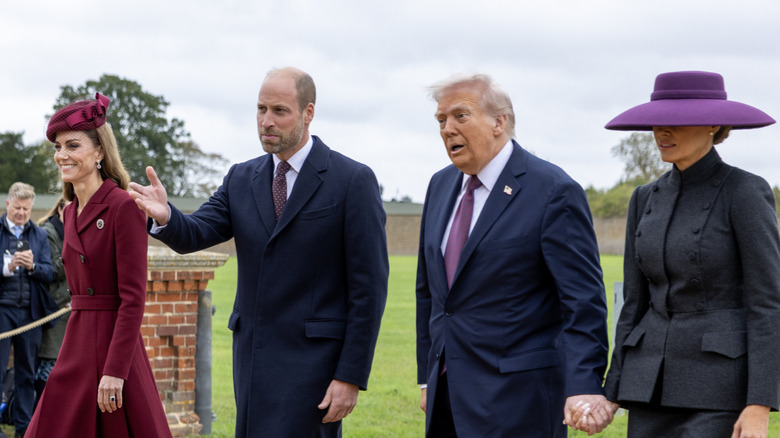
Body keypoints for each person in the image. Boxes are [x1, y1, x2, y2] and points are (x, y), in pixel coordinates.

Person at [129, 67, 389, 438]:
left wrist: (350, 375)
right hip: (252, 358)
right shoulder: (241, 178)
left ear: (308, 113)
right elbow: (197, 232)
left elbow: (369, 289)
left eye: (279, 111)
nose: (266, 121)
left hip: (314, 365)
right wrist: (167, 216)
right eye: (261, 109)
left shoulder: (351, 180)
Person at [415, 73, 610, 438]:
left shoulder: (552, 190)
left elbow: (582, 301)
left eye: (460, 116)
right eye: (441, 120)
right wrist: (427, 378)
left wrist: (584, 383)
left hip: (520, 400)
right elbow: (430, 293)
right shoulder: (440, 185)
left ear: (499, 122)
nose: (447, 129)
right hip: (446, 397)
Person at [599, 70, 780, 438]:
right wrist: (613, 389)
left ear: (713, 124)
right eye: (657, 124)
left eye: (675, 123)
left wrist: (760, 402)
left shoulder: (745, 191)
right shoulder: (644, 198)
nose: (661, 133)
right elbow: (634, 303)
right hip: (649, 384)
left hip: (719, 388)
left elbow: (768, 303)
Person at [25, 93, 172, 437]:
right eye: (58, 147)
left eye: (73, 145)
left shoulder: (123, 206)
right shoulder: (70, 210)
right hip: (75, 342)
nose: (62, 155)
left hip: (113, 347)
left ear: (100, 152)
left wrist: (116, 371)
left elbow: (133, 298)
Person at [0, 183, 56, 438]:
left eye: (27, 209)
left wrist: (33, 266)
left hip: (31, 313)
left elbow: (49, 272)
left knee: (26, 375)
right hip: (3, 310)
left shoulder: (39, 234)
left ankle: (24, 431)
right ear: (8, 204)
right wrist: (8, 267)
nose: (22, 213)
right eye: (18, 208)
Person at [34, 196, 71, 405]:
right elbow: (55, 269)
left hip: (69, 307)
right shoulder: (47, 232)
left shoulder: (70, 231)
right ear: (59, 209)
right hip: (54, 307)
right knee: (49, 364)